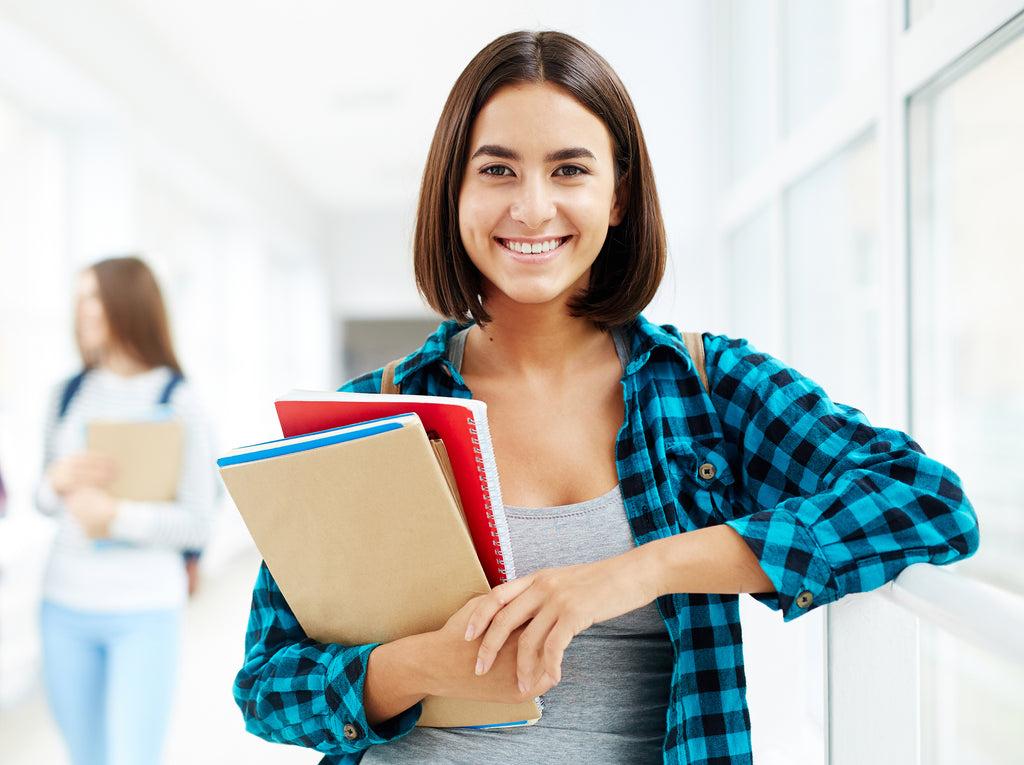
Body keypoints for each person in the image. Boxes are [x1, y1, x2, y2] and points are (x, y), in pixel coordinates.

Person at [232, 30, 979, 765]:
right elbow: (267, 685)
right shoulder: (371, 417)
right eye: (497, 170)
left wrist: (637, 570)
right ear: (454, 191)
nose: (531, 208)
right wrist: (424, 665)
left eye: (568, 170)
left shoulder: (704, 386)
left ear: (617, 196)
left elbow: (926, 500)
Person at [36, 255, 218, 765]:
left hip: (144, 610)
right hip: (63, 606)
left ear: (128, 304)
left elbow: (198, 520)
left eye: (93, 297)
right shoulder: (66, 394)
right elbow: (42, 498)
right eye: (79, 300)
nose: (83, 311)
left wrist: (116, 518)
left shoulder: (180, 400)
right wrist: (56, 482)